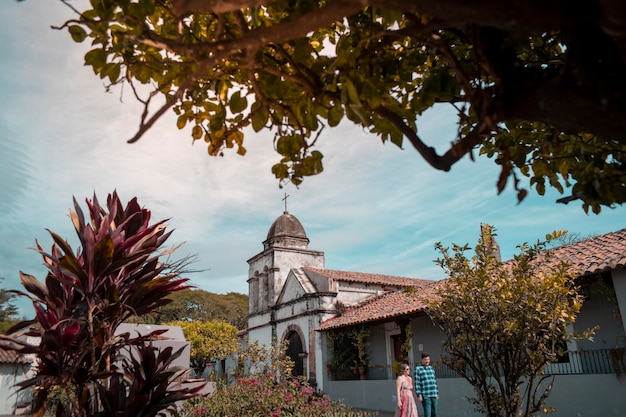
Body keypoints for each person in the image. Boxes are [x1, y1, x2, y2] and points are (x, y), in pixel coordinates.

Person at [414, 353, 439, 417]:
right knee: (428, 413)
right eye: (425, 359)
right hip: (425, 395)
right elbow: (417, 383)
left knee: (435, 413)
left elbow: (434, 381)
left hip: (433, 394)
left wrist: (437, 393)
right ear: (422, 360)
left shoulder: (431, 368)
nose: (427, 361)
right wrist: (419, 395)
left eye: (428, 359)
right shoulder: (418, 369)